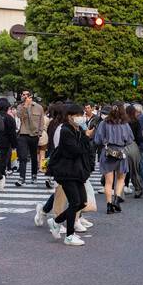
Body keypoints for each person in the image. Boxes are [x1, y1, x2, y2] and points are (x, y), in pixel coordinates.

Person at [45, 103, 95, 246]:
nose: (80, 118)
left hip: (77, 171)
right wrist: (86, 136)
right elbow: (75, 150)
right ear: (69, 117)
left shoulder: (77, 129)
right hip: (66, 171)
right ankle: (69, 235)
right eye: (77, 115)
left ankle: (56, 221)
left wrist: (85, 135)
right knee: (74, 202)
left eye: (81, 115)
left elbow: (85, 149)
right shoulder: (66, 130)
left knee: (82, 202)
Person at [94, 106, 133, 213]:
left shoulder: (104, 123)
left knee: (108, 182)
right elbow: (130, 140)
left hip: (108, 152)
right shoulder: (125, 124)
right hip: (121, 152)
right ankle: (117, 199)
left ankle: (109, 205)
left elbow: (97, 140)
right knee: (121, 179)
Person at [15, 90, 45, 187]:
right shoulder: (20, 107)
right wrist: (25, 106)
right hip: (23, 133)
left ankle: (34, 175)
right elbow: (20, 116)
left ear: (30, 96)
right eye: (22, 94)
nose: (24, 96)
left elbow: (41, 121)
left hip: (34, 135)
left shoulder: (39, 107)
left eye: (26, 95)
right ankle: (22, 177)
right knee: (23, 157)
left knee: (33, 156)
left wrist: (40, 133)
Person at [123, 104, 143, 199]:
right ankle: (138, 189)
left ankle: (119, 193)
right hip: (133, 146)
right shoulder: (136, 122)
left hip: (122, 146)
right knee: (134, 170)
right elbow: (139, 137)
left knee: (121, 171)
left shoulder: (122, 122)